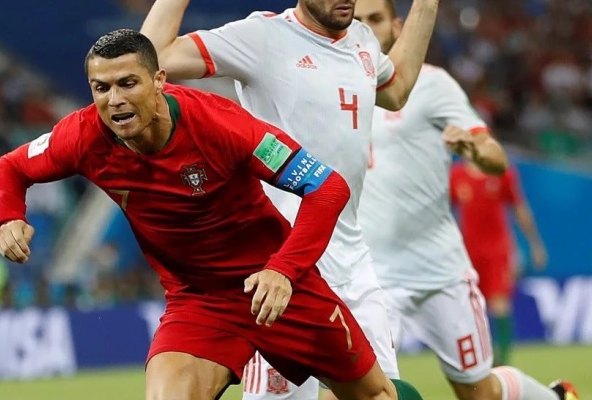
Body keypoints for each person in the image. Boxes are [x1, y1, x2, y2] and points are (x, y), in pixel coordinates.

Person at [0, 29, 423, 400]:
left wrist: (284, 271)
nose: (115, 100)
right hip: (199, 302)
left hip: (277, 290)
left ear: (159, 81)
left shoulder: (220, 125)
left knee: (377, 395)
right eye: (101, 88)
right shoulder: (83, 136)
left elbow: (327, 187)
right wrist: (8, 216)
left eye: (127, 83)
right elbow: (11, 167)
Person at [141, 0, 439, 397]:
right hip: (278, 271)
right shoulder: (262, 36)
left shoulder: (363, 41)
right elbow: (151, 60)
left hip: (352, 265)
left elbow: (397, 90)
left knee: (382, 393)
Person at [354, 1, 577, 399]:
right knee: (361, 390)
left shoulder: (431, 84)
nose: (366, 29)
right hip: (370, 276)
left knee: (478, 393)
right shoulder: (329, 84)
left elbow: (495, 156)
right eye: (357, 20)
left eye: (375, 19)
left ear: (397, 26)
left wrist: (474, 150)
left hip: (438, 270)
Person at [450, 161, 547, 366]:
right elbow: (444, 213)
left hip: (497, 251)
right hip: (467, 252)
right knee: (471, 305)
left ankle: (502, 360)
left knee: (499, 302)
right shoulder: (456, 176)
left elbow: (519, 208)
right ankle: (479, 357)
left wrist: (535, 244)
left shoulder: (501, 172)